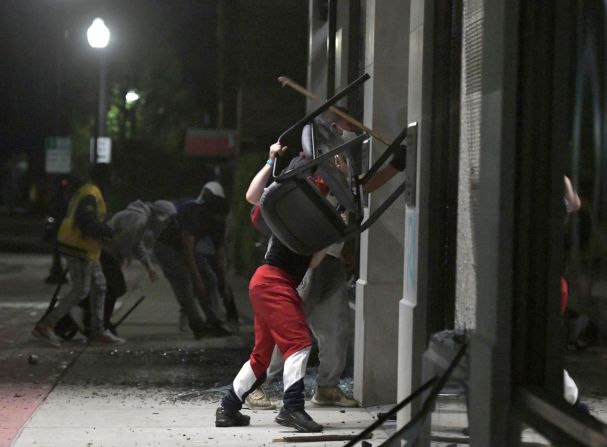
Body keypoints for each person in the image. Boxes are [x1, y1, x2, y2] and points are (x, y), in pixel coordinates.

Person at [245, 109, 408, 411]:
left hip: (328, 256)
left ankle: (327, 387)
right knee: (288, 323)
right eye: (347, 124)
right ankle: (259, 385)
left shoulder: (341, 165)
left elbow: (359, 188)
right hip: (301, 256)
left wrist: (396, 166)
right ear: (332, 129)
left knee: (336, 325)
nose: (351, 131)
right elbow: (265, 197)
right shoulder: (307, 165)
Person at [216, 142, 329, 433]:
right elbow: (253, 196)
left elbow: (313, 262)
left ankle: (228, 408)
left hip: (269, 282)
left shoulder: (306, 219)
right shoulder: (289, 209)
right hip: (273, 282)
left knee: (261, 356)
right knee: (300, 342)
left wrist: (330, 232)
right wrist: (270, 161)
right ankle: (292, 409)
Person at [32, 163, 123, 347]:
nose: (113, 181)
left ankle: (98, 331)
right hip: (78, 248)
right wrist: (107, 230)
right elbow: (86, 221)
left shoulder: (92, 192)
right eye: (111, 177)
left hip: (88, 250)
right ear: (105, 178)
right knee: (81, 290)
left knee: (100, 285)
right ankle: (45, 326)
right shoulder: (90, 194)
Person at [154, 183, 232, 339]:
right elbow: (188, 249)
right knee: (185, 285)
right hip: (167, 247)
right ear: (210, 211)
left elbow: (220, 254)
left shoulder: (218, 222)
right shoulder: (195, 214)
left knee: (210, 278)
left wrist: (225, 283)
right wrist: (197, 280)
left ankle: (215, 321)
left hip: (185, 248)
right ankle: (198, 324)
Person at [101, 199, 177, 331]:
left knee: (112, 288)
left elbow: (136, 244)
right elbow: (120, 241)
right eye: (164, 222)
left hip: (107, 254)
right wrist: (123, 257)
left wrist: (148, 266)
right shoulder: (138, 218)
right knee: (115, 288)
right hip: (105, 253)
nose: (163, 226)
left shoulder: (141, 218)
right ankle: (102, 323)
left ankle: (101, 321)